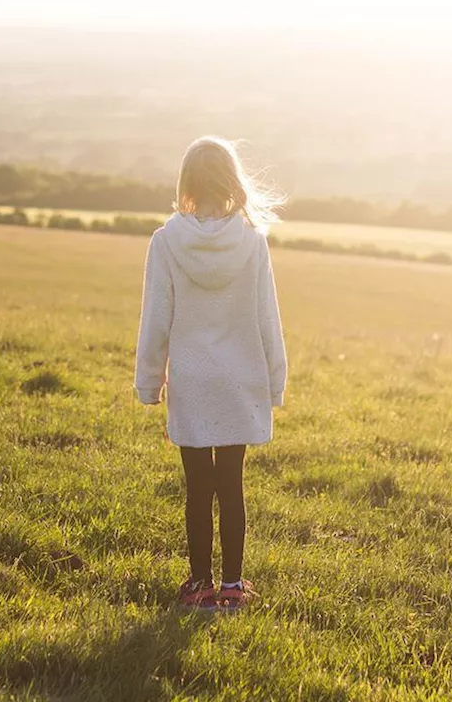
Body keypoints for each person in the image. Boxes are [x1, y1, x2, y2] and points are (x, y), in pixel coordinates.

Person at [135, 136, 288, 612]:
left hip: (194, 381)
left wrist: (148, 379)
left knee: (198, 485)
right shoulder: (252, 243)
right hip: (240, 379)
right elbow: (268, 318)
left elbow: (156, 316)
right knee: (233, 484)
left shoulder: (166, 242)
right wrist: (276, 380)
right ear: (232, 183)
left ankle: (199, 584)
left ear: (187, 184)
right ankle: (233, 586)